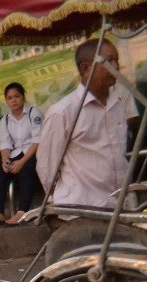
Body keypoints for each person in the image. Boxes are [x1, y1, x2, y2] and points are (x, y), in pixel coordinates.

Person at [36, 37, 144, 262]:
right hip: (81, 213)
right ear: (86, 68)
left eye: (117, 60)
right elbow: (47, 168)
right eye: (109, 60)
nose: (116, 66)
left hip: (115, 209)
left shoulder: (117, 104)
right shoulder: (62, 112)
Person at [0, 83, 44, 227]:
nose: (13, 100)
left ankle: (22, 211)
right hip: (16, 154)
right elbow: (5, 144)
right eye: (9, 98)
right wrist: (5, 160)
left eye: (17, 96)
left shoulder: (33, 113)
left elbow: (38, 140)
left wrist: (22, 161)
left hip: (34, 153)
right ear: (6, 101)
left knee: (27, 170)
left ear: (23, 96)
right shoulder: (5, 120)